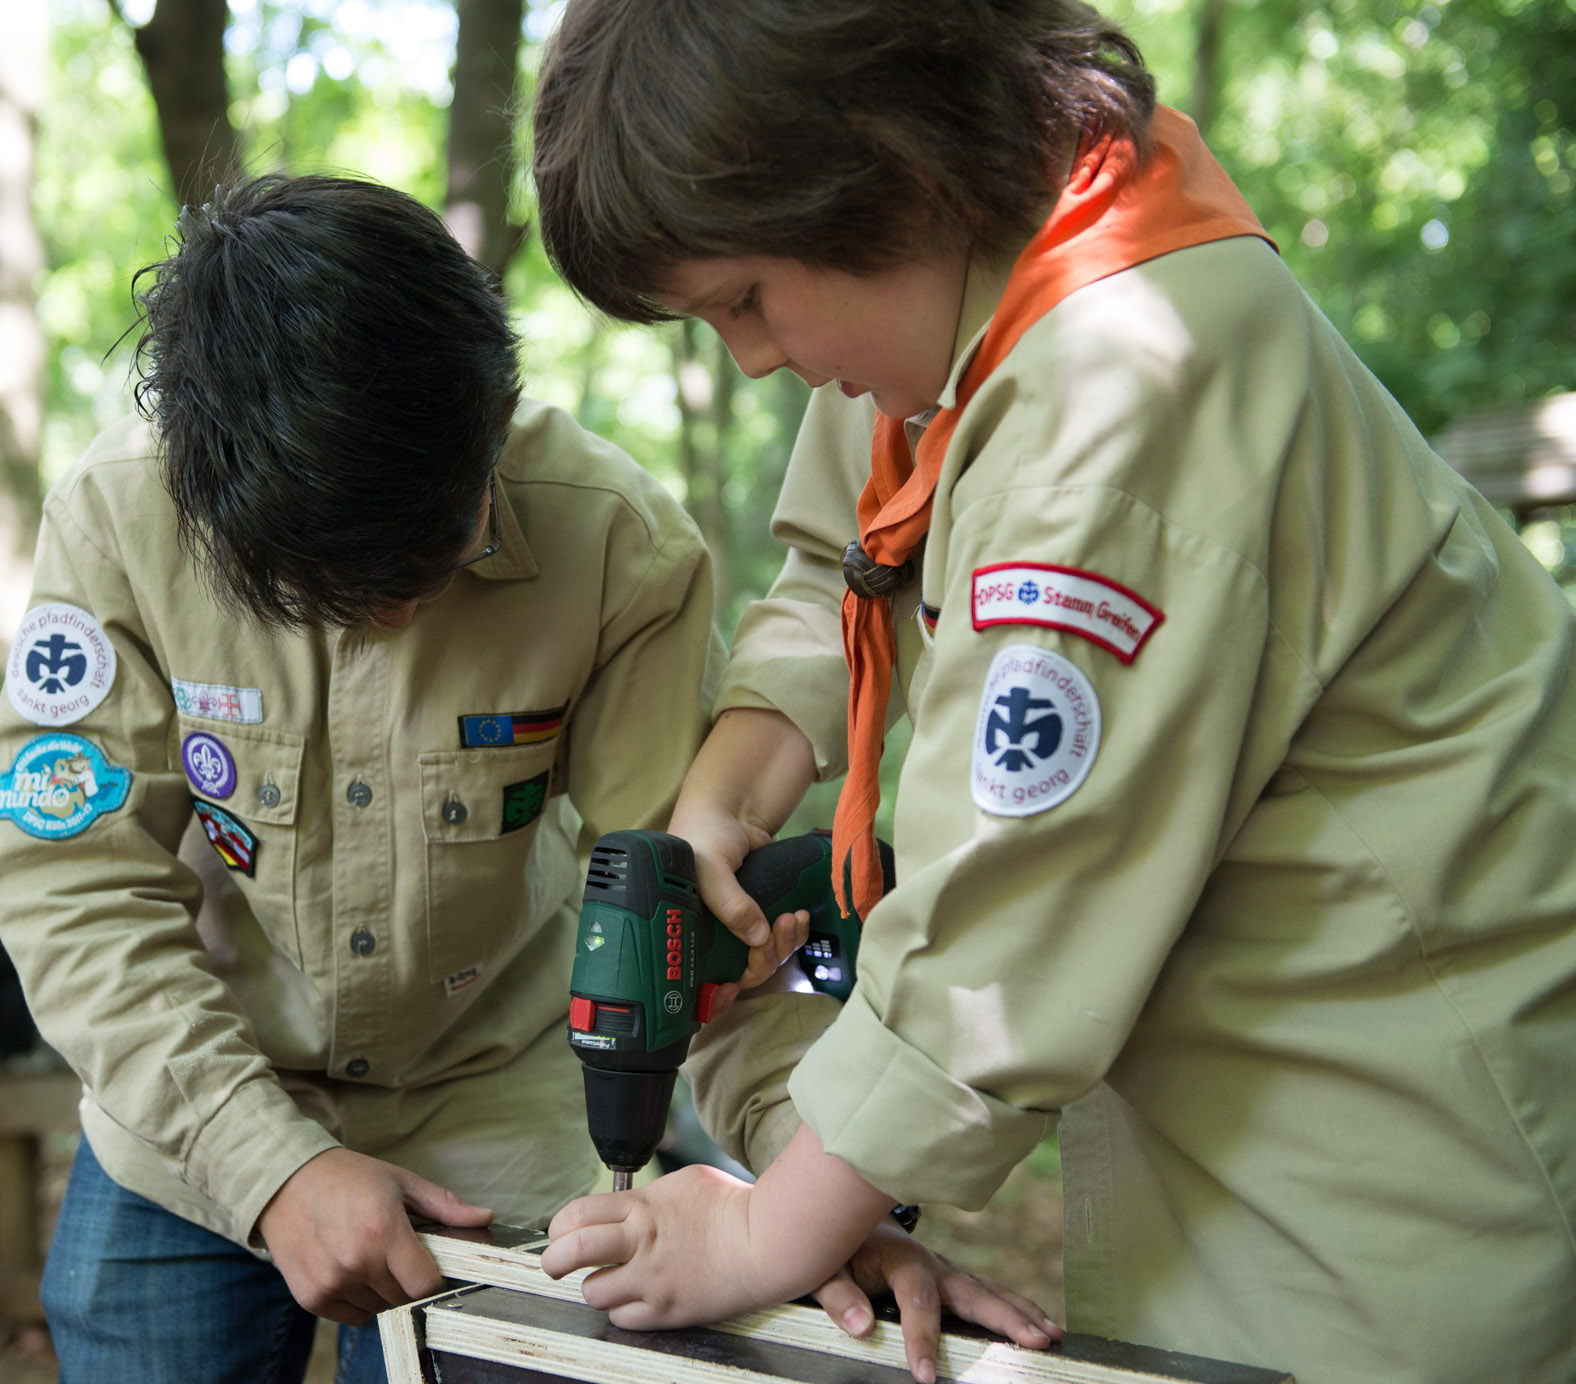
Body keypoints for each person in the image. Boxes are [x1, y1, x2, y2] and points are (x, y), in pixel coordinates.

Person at [527, 4, 1576, 1384]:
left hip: (1391, 1147)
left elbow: (998, 938)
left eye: (741, 298)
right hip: (1255, 1087)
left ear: (880, 173)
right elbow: (845, 563)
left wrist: (756, 1238)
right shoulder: (992, 261)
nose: (753, 359)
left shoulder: (1111, 403)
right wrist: (722, 805)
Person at [0, 173, 1050, 1384]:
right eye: (351, 587)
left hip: (492, 1125)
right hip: (185, 1108)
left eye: (442, 549)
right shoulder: (119, 519)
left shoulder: (614, 547)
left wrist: (816, 1190)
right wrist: (266, 1162)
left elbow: (693, 919)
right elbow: (73, 891)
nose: (403, 608)